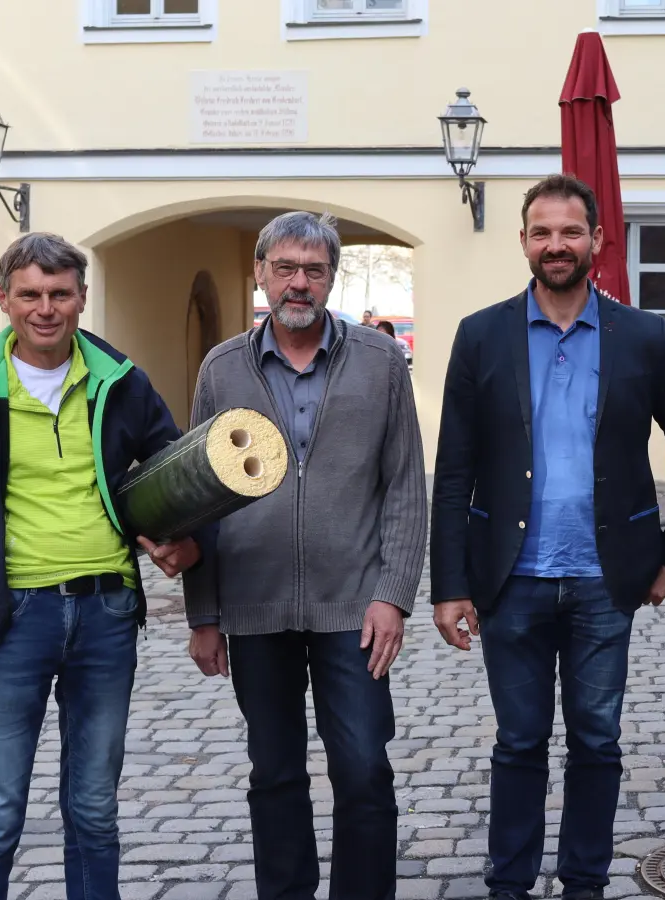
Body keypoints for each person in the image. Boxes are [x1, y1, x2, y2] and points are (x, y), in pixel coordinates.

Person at [0, 232, 210, 900]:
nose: (44, 309)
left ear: (81, 297)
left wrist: (187, 541)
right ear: (3, 300)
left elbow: (176, 474)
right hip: (12, 618)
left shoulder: (121, 381)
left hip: (106, 612)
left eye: (58, 294)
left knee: (95, 809)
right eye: (29, 295)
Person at [430, 174, 665, 900]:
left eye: (570, 231)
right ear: (523, 241)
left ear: (597, 241)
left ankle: (584, 883)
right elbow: (453, 469)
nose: (556, 245)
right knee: (518, 742)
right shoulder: (481, 335)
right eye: (542, 232)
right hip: (509, 578)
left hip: (607, 577)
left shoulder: (643, 337)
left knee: (596, 742)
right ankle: (509, 884)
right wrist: (449, 584)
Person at [183, 211, 427, 900]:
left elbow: (406, 485)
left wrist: (393, 595)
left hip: (354, 607)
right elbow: (198, 497)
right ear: (260, 272)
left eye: (314, 271)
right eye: (285, 268)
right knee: (275, 772)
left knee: (363, 769)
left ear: (331, 279)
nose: (299, 283)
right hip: (254, 604)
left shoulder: (380, 362)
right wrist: (204, 614)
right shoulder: (222, 368)